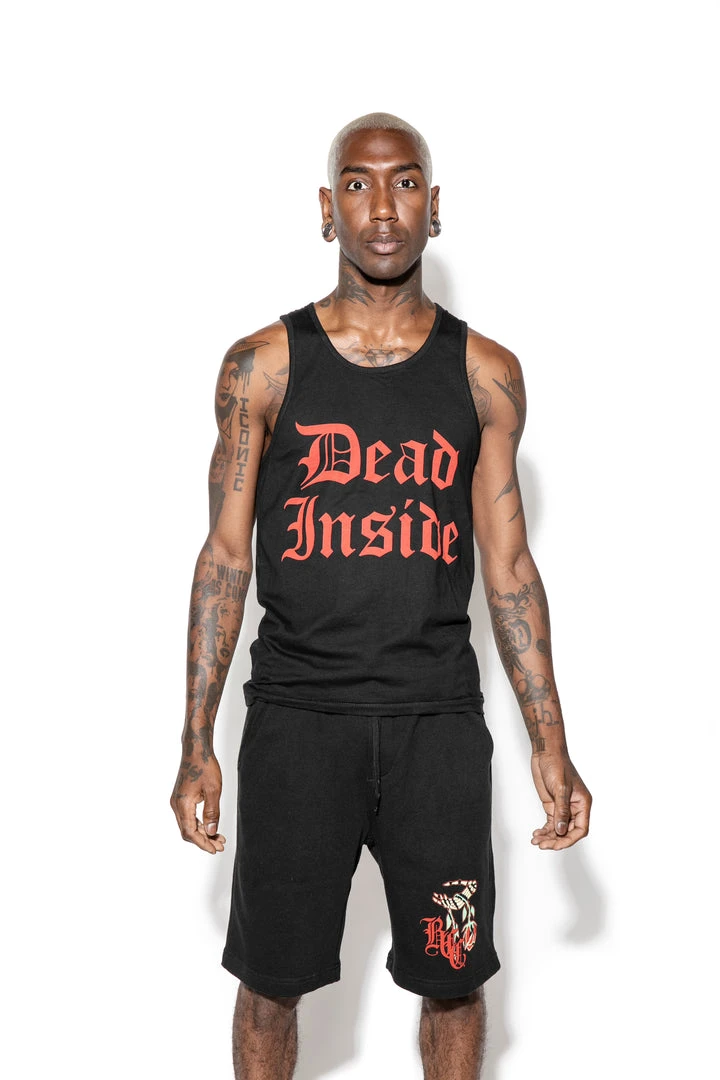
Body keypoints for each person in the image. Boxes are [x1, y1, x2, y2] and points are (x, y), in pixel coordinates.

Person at [170, 111, 592, 1080]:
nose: (383, 208)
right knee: (270, 987)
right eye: (358, 185)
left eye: (404, 183)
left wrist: (551, 742)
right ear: (328, 209)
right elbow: (224, 559)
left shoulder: (486, 377)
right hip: (297, 723)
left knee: (455, 984)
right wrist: (196, 742)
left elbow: (511, 569)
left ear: (434, 207)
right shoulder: (261, 369)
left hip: (434, 726)